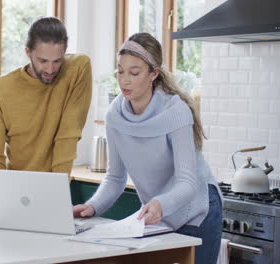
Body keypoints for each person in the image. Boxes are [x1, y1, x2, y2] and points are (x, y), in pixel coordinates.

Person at [73, 33, 222, 264]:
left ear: (154, 74)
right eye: (120, 71)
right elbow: (115, 177)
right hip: (158, 213)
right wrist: (92, 207)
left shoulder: (175, 112)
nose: (125, 80)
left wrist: (161, 204)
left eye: (134, 73)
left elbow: (187, 183)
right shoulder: (115, 115)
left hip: (197, 209)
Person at [0, 17, 92, 175]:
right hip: (14, 184)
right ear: (28, 51)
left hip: (54, 182)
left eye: (57, 61)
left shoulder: (77, 69)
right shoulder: (0, 89)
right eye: (42, 61)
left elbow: (68, 135)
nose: (50, 69)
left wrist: (57, 187)